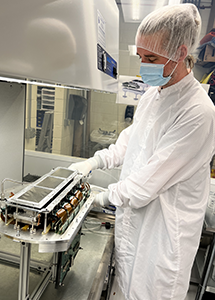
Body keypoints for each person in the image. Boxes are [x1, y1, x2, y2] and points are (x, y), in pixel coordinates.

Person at [69, 4, 215, 300]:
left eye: (151, 58)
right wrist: (96, 161)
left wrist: (102, 197)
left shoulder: (198, 111)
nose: (142, 66)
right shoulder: (152, 96)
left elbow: (150, 180)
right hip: (134, 224)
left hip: (162, 237)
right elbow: (132, 141)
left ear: (180, 52)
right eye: (140, 56)